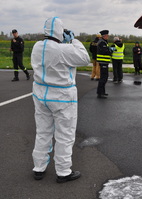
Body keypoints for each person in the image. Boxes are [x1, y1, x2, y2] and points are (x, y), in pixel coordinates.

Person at [30, 17, 90, 183]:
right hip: (62, 97)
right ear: (59, 31)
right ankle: (63, 171)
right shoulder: (63, 49)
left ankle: (39, 167)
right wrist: (74, 40)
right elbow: (85, 58)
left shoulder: (37, 47)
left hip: (41, 94)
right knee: (65, 134)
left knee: (43, 132)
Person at [96, 30, 112, 99]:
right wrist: (110, 50)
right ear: (104, 36)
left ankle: (102, 92)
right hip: (103, 62)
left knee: (104, 77)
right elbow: (105, 51)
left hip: (104, 62)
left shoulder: (104, 42)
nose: (108, 36)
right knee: (103, 78)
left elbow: (107, 50)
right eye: (107, 35)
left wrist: (109, 50)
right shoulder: (102, 42)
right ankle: (100, 93)